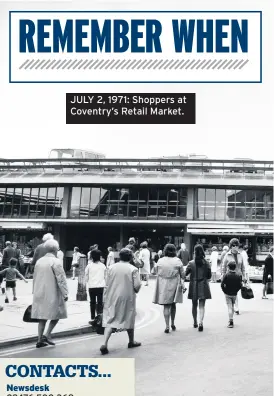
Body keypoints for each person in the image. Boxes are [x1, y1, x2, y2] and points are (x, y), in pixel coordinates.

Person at [100, 248, 141, 355]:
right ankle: (131, 341)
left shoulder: (110, 268)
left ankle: (104, 343)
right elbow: (137, 285)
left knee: (110, 320)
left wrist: (104, 298)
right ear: (130, 257)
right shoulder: (133, 269)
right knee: (129, 318)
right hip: (127, 297)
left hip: (112, 296)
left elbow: (107, 283)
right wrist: (135, 290)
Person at [32, 239, 68, 348]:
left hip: (39, 292)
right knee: (57, 313)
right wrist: (65, 293)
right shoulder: (56, 261)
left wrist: (34, 290)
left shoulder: (39, 261)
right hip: (52, 292)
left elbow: (34, 277)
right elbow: (61, 279)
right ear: (56, 249)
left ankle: (39, 340)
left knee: (42, 316)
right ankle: (47, 335)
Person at [152, 244, 185, 333]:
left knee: (166, 306)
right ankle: (173, 323)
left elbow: (154, 271)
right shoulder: (178, 261)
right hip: (174, 284)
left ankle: (167, 326)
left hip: (163, 285)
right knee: (173, 305)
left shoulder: (160, 260)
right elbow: (183, 275)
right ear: (174, 251)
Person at [185, 244, 211, 331]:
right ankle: (201, 322)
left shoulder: (191, 263)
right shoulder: (206, 263)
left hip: (194, 285)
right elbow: (209, 276)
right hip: (203, 284)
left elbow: (185, 274)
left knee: (194, 304)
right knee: (202, 305)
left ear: (194, 253)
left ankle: (195, 322)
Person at [221, 238, 245, 315]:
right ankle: (235, 307)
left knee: (236, 291)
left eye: (237, 245)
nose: (235, 247)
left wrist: (244, 276)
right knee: (232, 292)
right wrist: (223, 276)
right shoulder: (227, 255)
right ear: (231, 246)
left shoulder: (240, 255)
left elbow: (243, 267)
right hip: (229, 276)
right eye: (234, 245)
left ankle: (235, 306)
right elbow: (223, 266)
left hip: (238, 276)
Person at [85, 249, 106, 324]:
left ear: (91, 257)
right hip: (100, 286)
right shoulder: (103, 266)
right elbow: (105, 276)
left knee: (92, 302)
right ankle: (100, 317)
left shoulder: (89, 266)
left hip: (92, 286)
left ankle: (93, 317)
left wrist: (88, 281)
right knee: (100, 302)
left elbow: (86, 276)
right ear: (99, 257)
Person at [221, 261, 242, 328]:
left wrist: (225, 291)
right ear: (235, 267)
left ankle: (231, 321)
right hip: (234, 293)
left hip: (227, 293)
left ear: (228, 267)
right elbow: (240, 285)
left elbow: (222, 284)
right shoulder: (238, 275)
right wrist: (236, 290)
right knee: (232, 306)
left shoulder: (226, 275)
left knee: (229, 307)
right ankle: (231, 318)